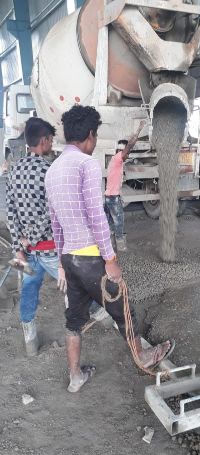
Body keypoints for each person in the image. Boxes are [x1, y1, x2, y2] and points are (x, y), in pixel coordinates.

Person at [45, 105, 174, 393]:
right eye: (95, 136)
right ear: (90, 135)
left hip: (69, 259)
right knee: (122, 309)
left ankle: (75, 376)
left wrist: (60, 263)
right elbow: (96, 215)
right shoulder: (87, 165)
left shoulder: (52, 170)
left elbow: (56, 223)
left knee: (74, 321)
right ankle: (142, 357)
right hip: (92, 258)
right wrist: (111, 259)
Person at [6, 117, 110, 357]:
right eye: (51, 140)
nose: (52, 145)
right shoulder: (49, 170)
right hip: (50, 250)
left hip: (25, 253)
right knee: (77, 286)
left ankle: (30, 341)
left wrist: (17, 246)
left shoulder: (12, 172)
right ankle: (104, 315)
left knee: (28, 291)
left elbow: (10, 212)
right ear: (43, 141)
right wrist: (32, 238)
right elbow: (52, 212)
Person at [104, 121, 145, 252]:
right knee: (119, 222)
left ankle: (110, 247)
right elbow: (130, 145)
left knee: (110, 223)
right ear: (121, 151)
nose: (128, 155)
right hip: (112, 198)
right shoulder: (117, 159)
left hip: (109, 197)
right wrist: (139, 129)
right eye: (126, 153)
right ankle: (121, 246)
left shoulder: (116, 161)